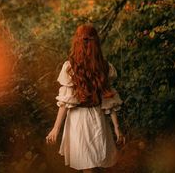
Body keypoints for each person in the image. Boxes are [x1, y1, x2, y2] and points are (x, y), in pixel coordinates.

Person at [46, 24, 125, 172]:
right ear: (97, 42)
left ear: (76, 41)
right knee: (93, 164)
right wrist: (116, 128)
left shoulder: (70, 67)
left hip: (79, 120)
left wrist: (56, 129)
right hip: (97, 117)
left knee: (88, 166)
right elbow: (109, 101)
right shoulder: (104, 66)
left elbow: (66, 101)